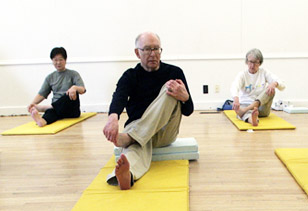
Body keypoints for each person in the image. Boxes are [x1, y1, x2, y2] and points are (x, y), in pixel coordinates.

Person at [103, 32, 194, 190]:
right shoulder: (130, 76)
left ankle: (130, 138)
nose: (153, 54)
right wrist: (112, 119)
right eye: (147, 49)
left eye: (156, 49)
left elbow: (188, 110)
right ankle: (127, 175)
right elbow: (119, 97)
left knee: (170, 88)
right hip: (140, 132)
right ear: (137, 53)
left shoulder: (174, 73)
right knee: (134, 149)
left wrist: (185, 97)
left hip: (165, 133)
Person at [28, 47, 86, 127]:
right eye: (55, 60)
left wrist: (74, 87)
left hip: (71, 110)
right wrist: (32, 104)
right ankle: (42, 121)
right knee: (51, 111)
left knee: (69, 94)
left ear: (65, 60)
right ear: (52, 61)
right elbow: (42, 94)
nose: (58, 62)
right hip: (57, 109)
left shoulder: (73, 74)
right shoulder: (50, 77)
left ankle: (45, 108)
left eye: (61, 59)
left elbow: (82, 90)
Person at [231, 48, 285, 126]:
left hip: (261, 109)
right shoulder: (242, 75)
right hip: (245, 105)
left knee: (270, 90)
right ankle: (253, 120)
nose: (252, 65)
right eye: (251, 62)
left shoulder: (264, 72)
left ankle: (246, 110)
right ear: (247, 62)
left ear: (260, 63)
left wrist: (275, 84)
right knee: (246, 115)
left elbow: (282, 85)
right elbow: (234, 86)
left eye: (256, 63)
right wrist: (236, 99)